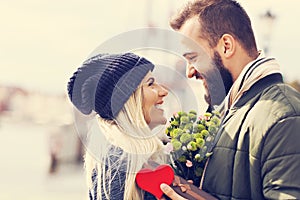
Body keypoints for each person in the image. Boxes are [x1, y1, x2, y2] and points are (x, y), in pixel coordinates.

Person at [161, 0, 300, 199]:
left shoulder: (285, 116)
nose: (189, 72)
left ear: (226, 46)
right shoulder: (229, 112)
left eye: (192, 57)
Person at [67, 52, 169, 199]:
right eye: (151, 84)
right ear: (127, 101)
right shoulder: (118, 167)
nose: (163, 91)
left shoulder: (133, 159)